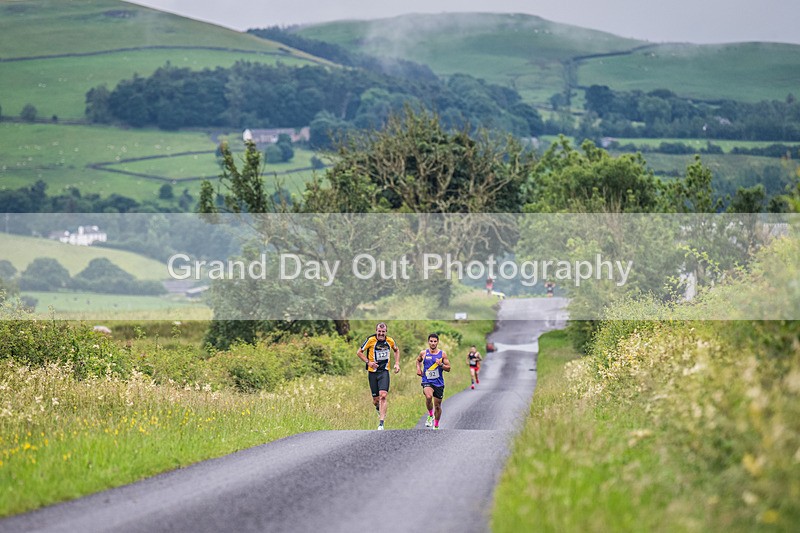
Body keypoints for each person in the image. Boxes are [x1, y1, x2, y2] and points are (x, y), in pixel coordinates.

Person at [357, 322, 400, 430]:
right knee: (376, 400)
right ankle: (378, 408)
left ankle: (381, 423)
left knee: (383, 396)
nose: (381, 333)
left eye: (383, 332)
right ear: (376, 331)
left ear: (386, 332)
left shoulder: (390, 341)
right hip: (372, 372)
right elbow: (359, 352)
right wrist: (369, 362)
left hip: (384, 371)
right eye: (379, 331)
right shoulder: (370, 340)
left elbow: (396, 350)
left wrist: (397, 363)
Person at [416, 333, 450, 429]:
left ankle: (436, 425)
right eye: (431, 341)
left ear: (438, 342)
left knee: (437, 406)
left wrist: (441, 365)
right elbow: (418, 361)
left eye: (435, 341)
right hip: (427, 380)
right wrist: (418, 369)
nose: (433, 343)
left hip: (438, 383)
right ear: (428, 342)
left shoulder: (442, 354)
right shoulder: (423, 353)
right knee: (428, 396)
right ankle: (430, 415)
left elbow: (448, 368)